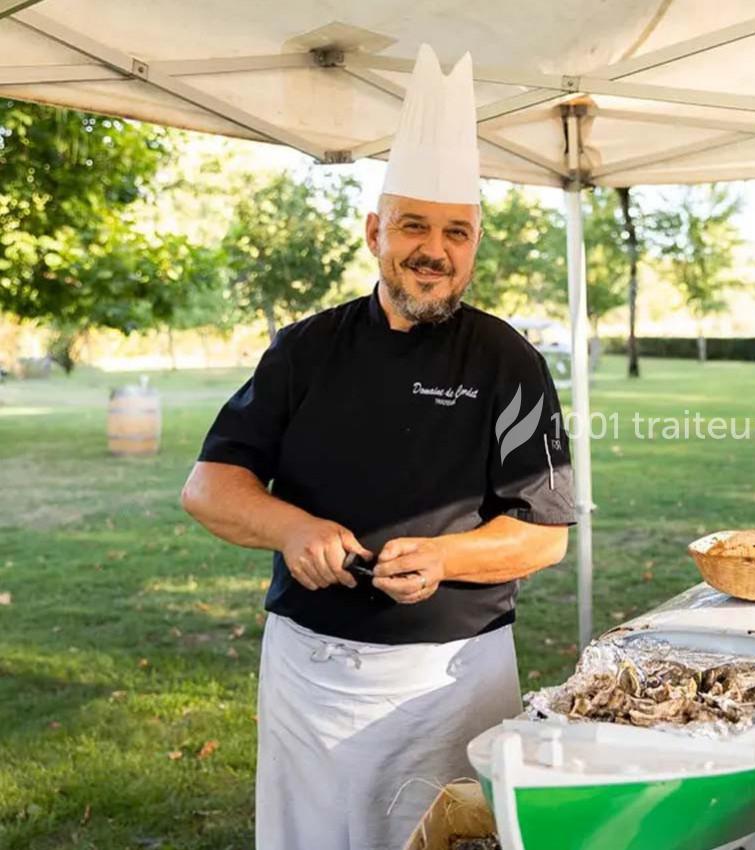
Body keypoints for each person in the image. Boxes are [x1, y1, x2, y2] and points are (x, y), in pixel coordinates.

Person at [180, 45, 576, 850]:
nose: (434, 250)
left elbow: (545, 533)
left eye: (456, 232)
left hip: (452, 680)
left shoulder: (509, 362)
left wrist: (445, 558)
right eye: (414, 226)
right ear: (374, 232)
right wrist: (292, 529)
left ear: (474, 245)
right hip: (308, 674)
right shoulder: (305, 349)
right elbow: (209, 485)